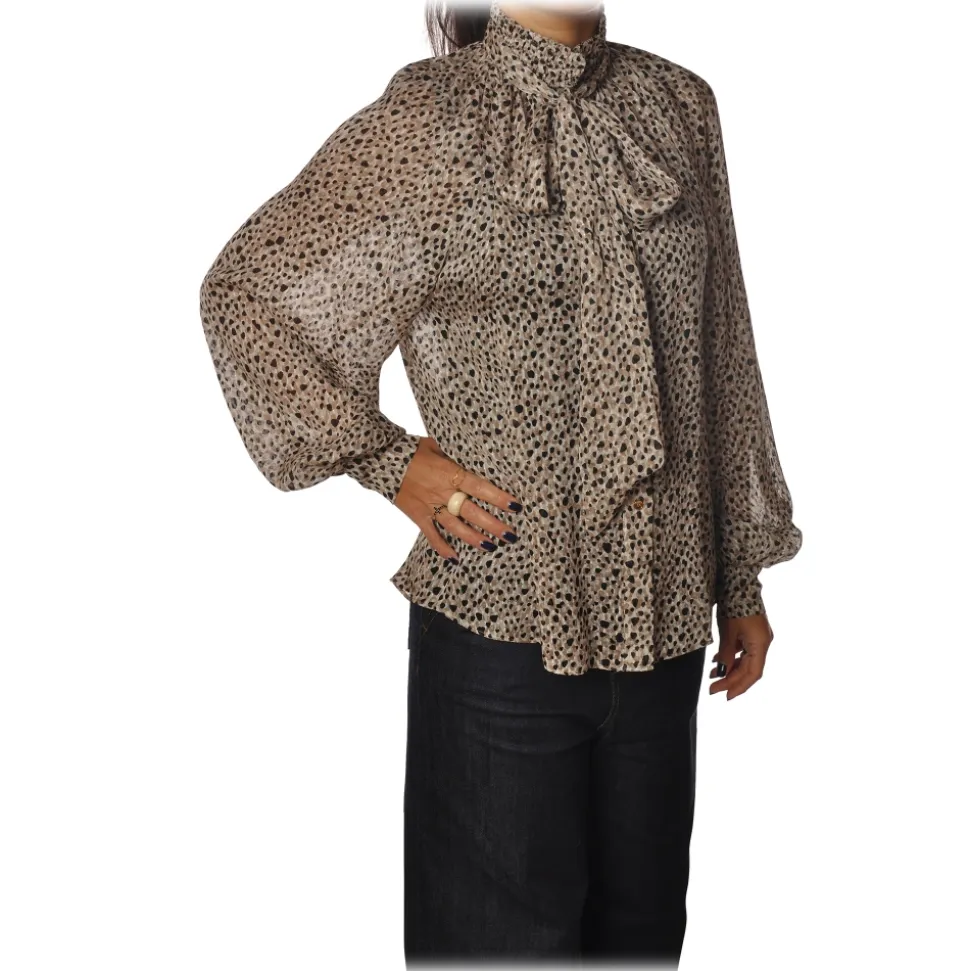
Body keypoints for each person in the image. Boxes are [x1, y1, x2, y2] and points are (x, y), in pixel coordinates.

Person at [198, 0, 803, 965]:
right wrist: (390, 460)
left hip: (663, 629)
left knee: (642, 946)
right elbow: (247, 295)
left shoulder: (679, 103)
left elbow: (722, 344)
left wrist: (741, 576)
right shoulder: (430, 117)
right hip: (500, 635)